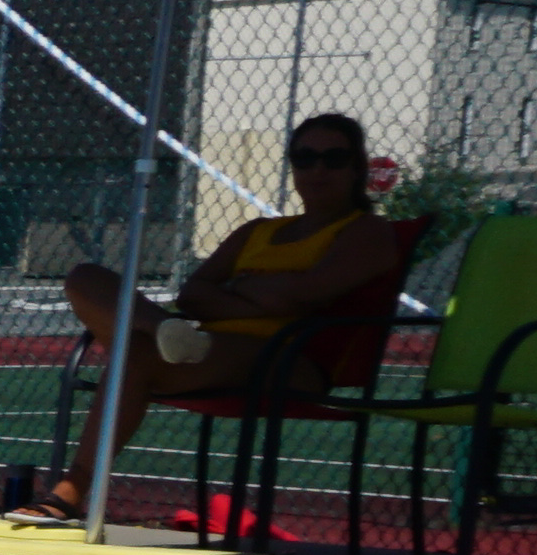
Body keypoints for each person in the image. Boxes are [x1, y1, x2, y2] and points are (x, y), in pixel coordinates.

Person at [41, 111, 415, 523]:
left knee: (136, 356)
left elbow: (305, 296)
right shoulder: (257, 231)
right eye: (305, 158)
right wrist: (264, 293)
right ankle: (163, 329)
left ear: (357, 167)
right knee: (85, 277)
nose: (318, 169)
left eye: (334, 158)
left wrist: (236, 291)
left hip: (287, 358)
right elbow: (194, 294)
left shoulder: (367, 232)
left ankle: (73, 487)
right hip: (213, 345)